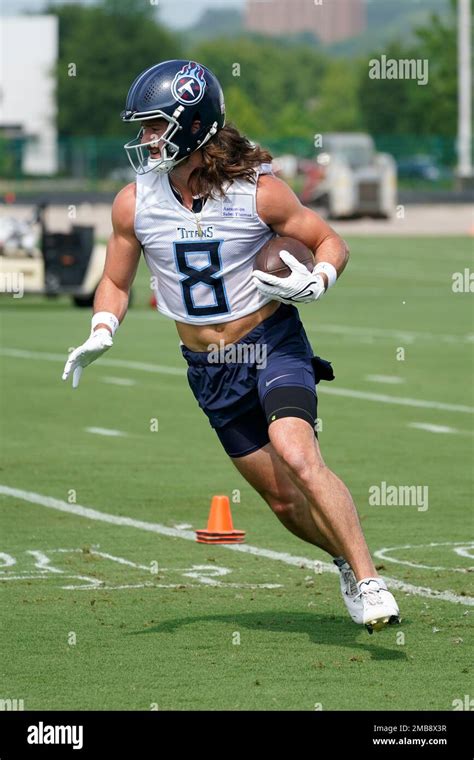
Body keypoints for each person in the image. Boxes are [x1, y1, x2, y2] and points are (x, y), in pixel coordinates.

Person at [62, 60, 400, 633]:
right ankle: (344, 559)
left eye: (153, 126)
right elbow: (116, 282)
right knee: (284, 503)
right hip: (208, 365)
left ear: (191, 126)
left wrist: (317, 280)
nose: (144, 139)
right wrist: (102, 328)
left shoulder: (258, 192)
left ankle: (370, 581)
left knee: (298, 453)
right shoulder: (134, 202)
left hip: (269, 341)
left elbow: (329, 240)